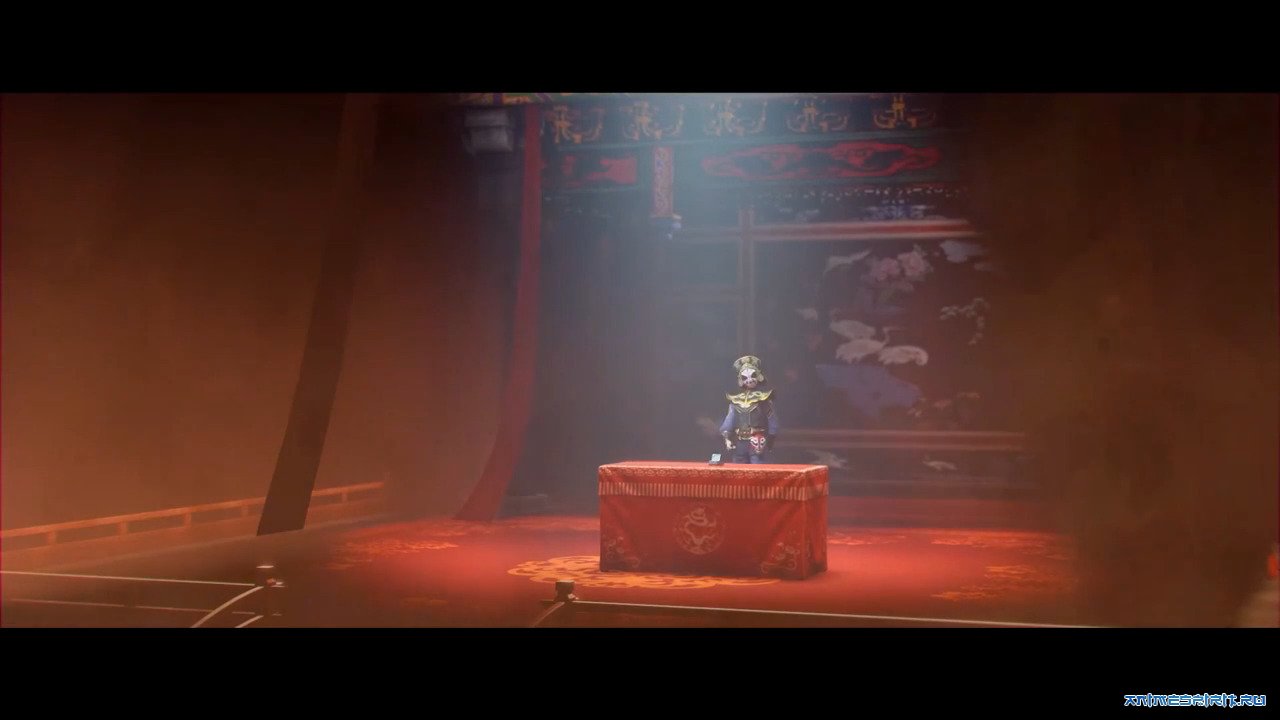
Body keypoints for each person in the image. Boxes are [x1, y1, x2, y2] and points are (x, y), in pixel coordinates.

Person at [719, 356, 779, 464]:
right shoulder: (736, 400)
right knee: (738, 470)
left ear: (758, 376)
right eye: (745, 377)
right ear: (741, 380)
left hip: (757, 441)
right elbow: (729, 421)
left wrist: (771, 437)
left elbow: (772, 420)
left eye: (753, 376)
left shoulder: (763, 398)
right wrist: (727, 438)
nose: (750, 380)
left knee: (757, 469)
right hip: (739, 441)